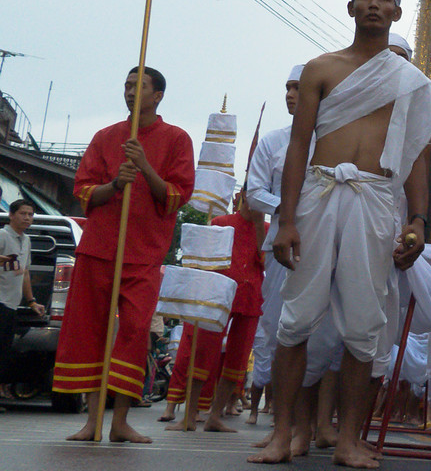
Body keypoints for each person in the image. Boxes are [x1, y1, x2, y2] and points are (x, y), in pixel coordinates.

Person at [248, 0, 431, 466]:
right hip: (318, 193)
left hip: (377, 200)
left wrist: (417, 219)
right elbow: (298, 145)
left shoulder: (409, 81)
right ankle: (282, 434)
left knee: (365, 323)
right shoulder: (320, 69)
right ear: (351, 7)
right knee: (295, 318)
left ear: (397, 12)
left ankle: (350, 439)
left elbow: (417, 156)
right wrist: (285, 220)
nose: (374, 5)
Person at [53, 66, 195, 443]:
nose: (131, 92)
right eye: (128, 86)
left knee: (133, 330)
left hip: (144, 252)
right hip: (99, 247)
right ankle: (92, 421)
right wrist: (116, 183)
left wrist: (146, 167)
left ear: (158, 95)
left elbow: (179, 196)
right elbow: (83, 191)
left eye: (140, 86)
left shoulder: (177, 138)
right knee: (90, 330)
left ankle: (120, 423)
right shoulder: (105, 137)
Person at [164, 188, 265, 433]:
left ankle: (215, 416)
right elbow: (203, 261)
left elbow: (264, 261)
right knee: (202, 352)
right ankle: (189, 415)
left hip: (250, 297)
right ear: (242, 195)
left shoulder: (267, 229)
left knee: (238, 359)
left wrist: (261, 225)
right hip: (217, 294)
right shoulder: (220, 223)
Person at [248, 63, 306, 427]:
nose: (290, 95)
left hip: (324, 242)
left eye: (298, 88)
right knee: (273, 324)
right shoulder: (272, 142)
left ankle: (307, 416)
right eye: (287, 88)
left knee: (315, 326)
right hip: (280, 248)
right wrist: (287, 207)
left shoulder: (333, 139)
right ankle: (263, 405)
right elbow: (254, 194)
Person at [0, 199, 46, 406]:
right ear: (11, 215)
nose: (27, 218)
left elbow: (25, 272)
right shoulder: (2, 235)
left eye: (30, 214)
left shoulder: (26, 240)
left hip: (11, 304)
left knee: (5, 350)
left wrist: (31, 301)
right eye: (23, 213)